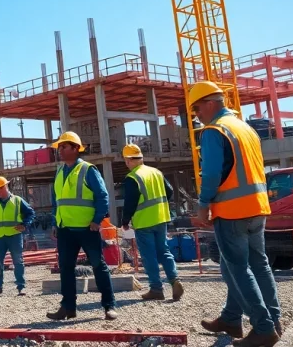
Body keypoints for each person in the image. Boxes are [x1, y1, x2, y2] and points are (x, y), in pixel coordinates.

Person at [189, 82, 280, 347]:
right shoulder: (245, 128)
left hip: (231, 210)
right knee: (258, 265)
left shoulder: (214, 130)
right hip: (257, 207)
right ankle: (239, 319)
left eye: (196, 108)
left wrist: (204, 203)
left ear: (209, 103)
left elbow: (213, 173)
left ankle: (264, 328)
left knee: (237, 270)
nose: (196, 115)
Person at [45, 131, 118, 322]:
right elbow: (57, 201)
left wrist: (97, 219)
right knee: (66, 268)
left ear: (76, 149)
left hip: (87, 228)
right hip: (65, 228)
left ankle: (109, 306)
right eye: (59, 147)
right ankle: (68, 307)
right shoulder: (60, 172)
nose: (60, 150)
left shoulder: (88, 170)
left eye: (64, 146)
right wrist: (55, 222)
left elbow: (102, 196)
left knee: (98, 266)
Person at [119, 144, 183, 302]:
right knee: (164, 251)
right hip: (161, 218)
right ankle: (175, 280)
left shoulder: (133, 178)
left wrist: (125, 221)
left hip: (144, 222)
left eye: (126, 161)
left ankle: (156, 289)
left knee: (149, 256)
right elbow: (169, 191)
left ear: (128, 160)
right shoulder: (156, 172)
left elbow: (130, 202)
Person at [0, 176, 35, 297]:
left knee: (18, 261)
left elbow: (30, 213)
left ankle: (21, 287)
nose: (0, 191)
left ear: (6, 186)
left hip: (14, 236)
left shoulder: (17, 200)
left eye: (1, 188)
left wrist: (25, 225)